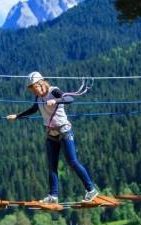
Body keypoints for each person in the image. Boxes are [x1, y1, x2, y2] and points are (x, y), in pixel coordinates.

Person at [6, 71, 98, 204]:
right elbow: (33, 109)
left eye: (34, 87)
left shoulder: (53, 91)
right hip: (51, 135)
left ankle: (91, 190)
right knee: (52, 166)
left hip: (64, 132)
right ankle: (53, 196)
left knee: (73, 161)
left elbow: (69, 99)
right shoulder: (38, 97)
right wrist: (17, 116)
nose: (33, 91)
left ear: (40, 83)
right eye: (31, 89)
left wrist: (55, 100)